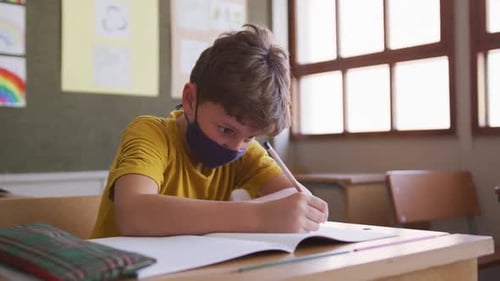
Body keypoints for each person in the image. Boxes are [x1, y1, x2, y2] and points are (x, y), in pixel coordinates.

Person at [90, 24, 329, 238]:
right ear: (190, 100)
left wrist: (303, 210)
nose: (236, 147)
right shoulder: (152, 133)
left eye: (250, 136)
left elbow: (291, 199)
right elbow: (134, 214)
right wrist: (259, 216)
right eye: (226, 129)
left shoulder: (246, 153)